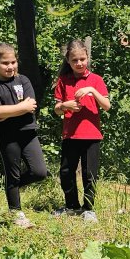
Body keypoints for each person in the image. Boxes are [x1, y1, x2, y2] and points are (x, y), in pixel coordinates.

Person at [0, 42, 47, 228]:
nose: (10, 66)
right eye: (5, 63)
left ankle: (13, 188)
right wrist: (17, 109)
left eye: (13, 62)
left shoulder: (23, 81)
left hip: (28, 134)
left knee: (39, 172)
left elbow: (31, 106)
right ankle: (16, 213)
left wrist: (5, 112)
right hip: (7, 136)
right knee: (12, 174)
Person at [52, 39, 110, 223]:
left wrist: (92, 90)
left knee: (89, 173)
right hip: (70, 135)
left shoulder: (96, 80)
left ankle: (89, 209)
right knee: (66, 172)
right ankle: (72, 207)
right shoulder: (63, 80)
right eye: (75, 60)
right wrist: (65, 105)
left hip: (91, 135)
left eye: (82, 59)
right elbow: (56, 109)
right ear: (68, 61)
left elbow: (107, 106)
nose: (79, 63)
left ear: (87, 58)